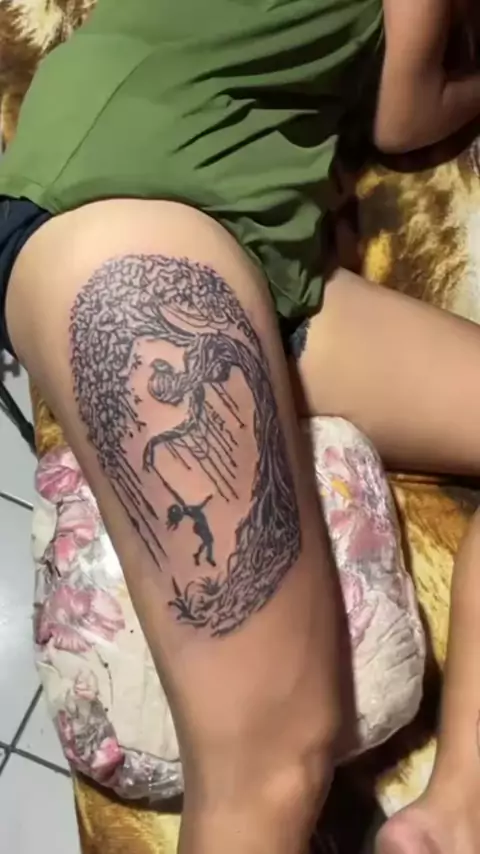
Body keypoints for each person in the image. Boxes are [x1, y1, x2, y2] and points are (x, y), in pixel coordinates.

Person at [0, 1, 480, 852]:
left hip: (269, 259)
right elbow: (406, 117)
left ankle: (455, 814)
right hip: (137, 202)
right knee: (272, 757)